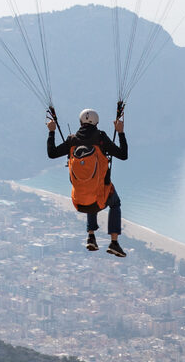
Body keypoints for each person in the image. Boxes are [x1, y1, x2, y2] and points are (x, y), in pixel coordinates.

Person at [47, 106, 129, 256]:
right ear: (96, 123)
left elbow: (52, 153)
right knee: (114, 202)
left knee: (89, 189)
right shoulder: (101, 138)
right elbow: (123, 155)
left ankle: (91, 236)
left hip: (78, 202)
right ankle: (114, 242)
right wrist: (120, 132)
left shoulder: (72, 140)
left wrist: (52, 131)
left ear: (80, 123)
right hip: (99, 198)